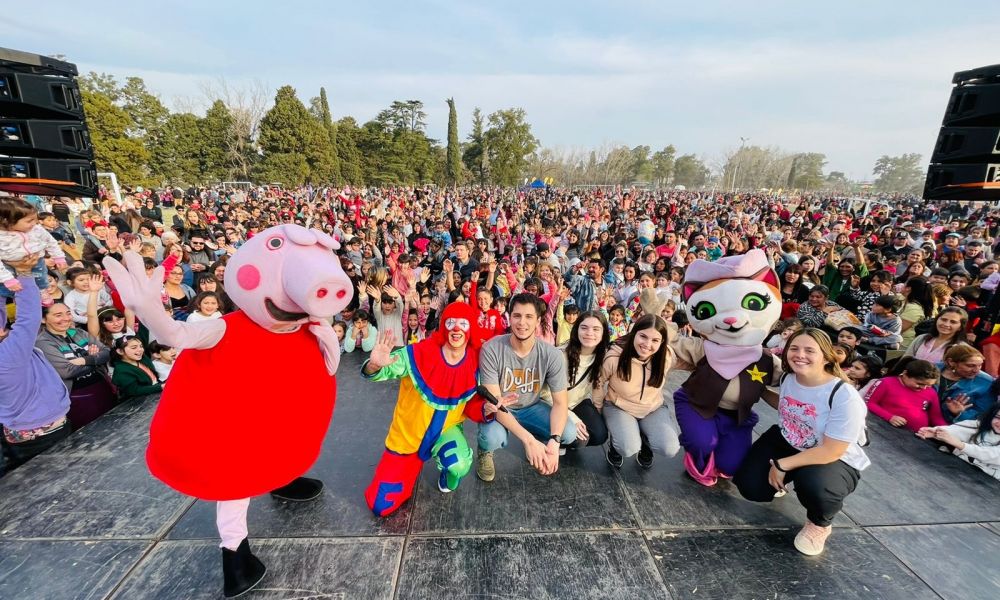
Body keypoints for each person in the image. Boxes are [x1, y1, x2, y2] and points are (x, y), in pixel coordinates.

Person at [734, 328, 870, 557]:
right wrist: (758, 390)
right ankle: (785, 478)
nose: (800, 355)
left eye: (809, 350)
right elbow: (791, 406)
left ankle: (819, 523)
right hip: (790, 438)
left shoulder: (843, 395)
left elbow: (831, 450)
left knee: (815, 485)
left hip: (830, 456)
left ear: (826, 356)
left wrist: (781, 465)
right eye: (794, 348)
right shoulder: (789, 377)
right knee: (751, 487)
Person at [361, 303, 492, 516]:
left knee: (457, 464)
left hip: (445, 431)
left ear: (470, 328)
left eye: (463, 323)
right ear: (443, 326)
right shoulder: (420, 352)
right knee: (381, 506)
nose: (456, 329)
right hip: (408, 437)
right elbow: (389, 368)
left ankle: (449, 474)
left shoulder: (475, 360)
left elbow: (472, 406)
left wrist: (487, 408)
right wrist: (375, 366)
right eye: (450, 323)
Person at [475, 293, 575, 482]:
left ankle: (540, 440)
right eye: (517, 316)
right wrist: (528, 441)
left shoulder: (552, 355)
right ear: (510, 317)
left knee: (567, 433)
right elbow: (496, 404)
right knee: (491, 437)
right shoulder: (491, 349)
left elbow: (561, 403)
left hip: (531, 406)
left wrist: (554, 442)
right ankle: (485, 451)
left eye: (529, 317)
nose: (522, 322)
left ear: (538, 321)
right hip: (501, 410)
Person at [0, 260, 72, 472]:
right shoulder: (8, 354)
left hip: (21, 431)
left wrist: (5, 284)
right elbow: (29, 318)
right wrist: (23, 274)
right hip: (42, 435)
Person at [594, 314, 679, 468]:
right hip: (619, 407)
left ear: (662, 342)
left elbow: (693, 359)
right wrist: (598, 407)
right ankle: (616, 445)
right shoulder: (615, 357)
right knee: (627, 447)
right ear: (634, 333)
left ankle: (646, 441)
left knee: (670, 448)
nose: (647, 344)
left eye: (655, 340)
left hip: (652, 408)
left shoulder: (666, 356)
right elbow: (598, 382)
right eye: (643, 336)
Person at [35, 302, 114, 429]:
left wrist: (84, 360)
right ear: (44, 319)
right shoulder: (43, 342)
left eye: (68, 313)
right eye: (58, 315)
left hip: (102, 386)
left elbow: (107, 353)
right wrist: (95, 359)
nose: (66, 318)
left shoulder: (79, 332)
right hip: (77, 396)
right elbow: (66, 371)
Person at [541, 310, 610, 449]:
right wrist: (572, 417)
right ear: (576, 330)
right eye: (584, 328)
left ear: (603, 333)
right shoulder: (560, 355)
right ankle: (552, 439)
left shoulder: (603, 356)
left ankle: (566, 440)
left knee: (599, 434)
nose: (589, 333)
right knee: (574, 436)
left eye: (596, 329)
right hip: (552, 403)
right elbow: (544, 393)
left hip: (577, 401)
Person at [0, 197, 68, 307]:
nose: (35, 223)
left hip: (36, 259)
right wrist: (7, 279)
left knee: (40, 277)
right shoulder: (2, 236)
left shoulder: (36, 229)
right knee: (8, 284)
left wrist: (59, 257)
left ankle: (42, 291)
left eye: (35, 219)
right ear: (7, 222)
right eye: (29, 221)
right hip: (7, 263)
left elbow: (50, 242)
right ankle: (15, 299)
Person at [917, 401, 1000, 480]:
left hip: (987, 484)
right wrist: (934, 432)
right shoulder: (979, 425)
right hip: (957, 472)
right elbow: (955, 430)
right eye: (998, 417)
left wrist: (959, 444)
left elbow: (991, 455)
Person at [863, 358, 946, 432]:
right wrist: (889, 417)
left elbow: (936, 417)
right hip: (885, 429)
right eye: (919, 384)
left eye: (928, 385)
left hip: (916, 436)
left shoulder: (931, 392)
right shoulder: (885, 383)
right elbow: (869, 403)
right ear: (905, 374)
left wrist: (947, 430)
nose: (924, 388)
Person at [937, 345, 995, 424]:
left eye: (980, 365)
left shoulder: (986, 382)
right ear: (951, 362)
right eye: (970, 366)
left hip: (952, 428)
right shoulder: (930, 370)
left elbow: (983, 416)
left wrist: (959, 413)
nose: (976, 371)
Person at [903, 307, 969, 364]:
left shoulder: (962, 348)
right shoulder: (921, 338)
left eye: (953, 322)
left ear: (960, 327)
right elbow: (905, 360)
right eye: (943, 319)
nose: (946, 324)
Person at [110, 336, 164, 401]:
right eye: (134, 347)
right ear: (120, 351)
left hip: (156, 394)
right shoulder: (121, 370)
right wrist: (160, 387)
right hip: (138, 403)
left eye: (141, 346)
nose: (140, 350)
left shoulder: (143, 358)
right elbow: (134, 390)